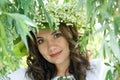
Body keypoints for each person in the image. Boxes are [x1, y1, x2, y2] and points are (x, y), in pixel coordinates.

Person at [3, 22, 112, 80]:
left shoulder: (98, 70)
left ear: (70, 36)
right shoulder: (27, 76)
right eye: (41, 41)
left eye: (56, 35)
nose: (51, 47)